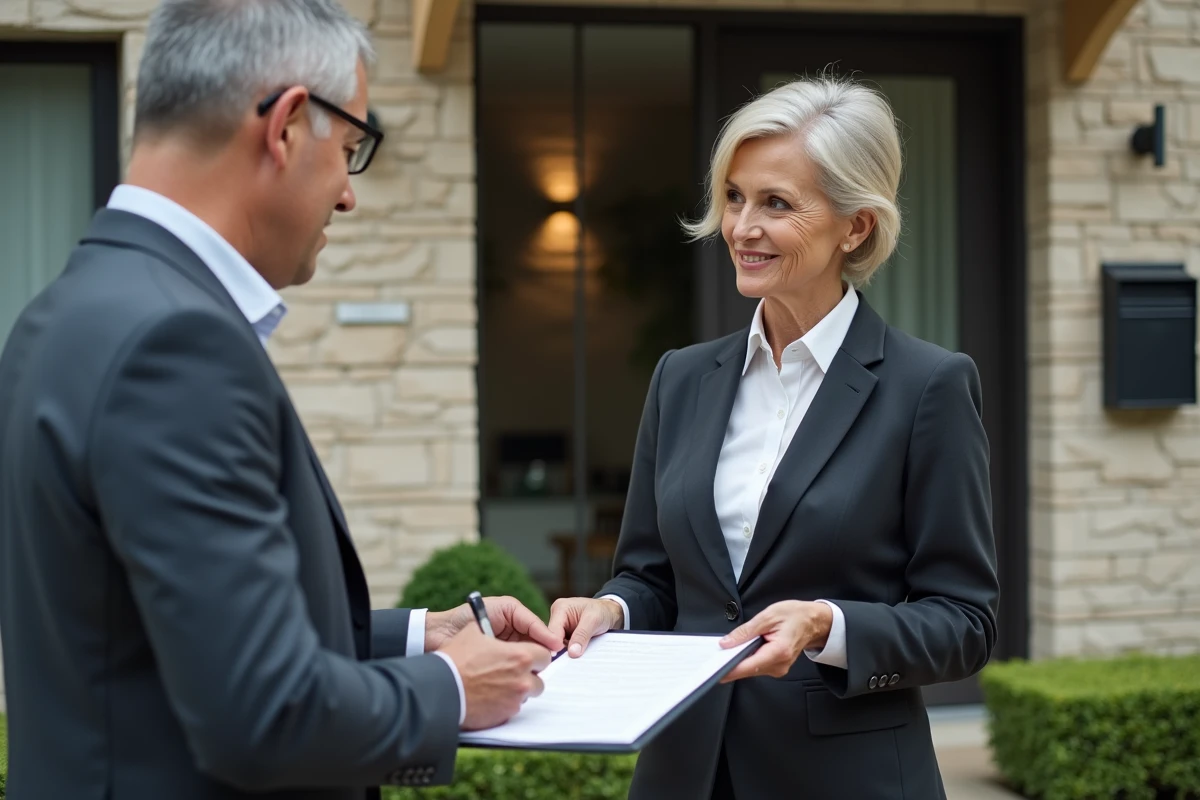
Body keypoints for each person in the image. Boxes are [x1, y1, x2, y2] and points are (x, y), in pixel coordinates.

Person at [0, 1, 559, 798]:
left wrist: (418, 636)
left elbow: (158, 638)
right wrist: (453, 687)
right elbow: (264, 715)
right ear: (289, 124)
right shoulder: (175, 345)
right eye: (352, 149)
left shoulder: (62, 311)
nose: (347, 197)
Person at [546, 75, 1000, 800]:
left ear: (856, 227)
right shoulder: (681, 379)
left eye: (776, 204)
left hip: (846, 780)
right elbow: (653, 576)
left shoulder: (929, 387)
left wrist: (828, 625)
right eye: (734, 196)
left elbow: (964, 623)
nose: (741, 227)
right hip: (683, 773)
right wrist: (611, 610)